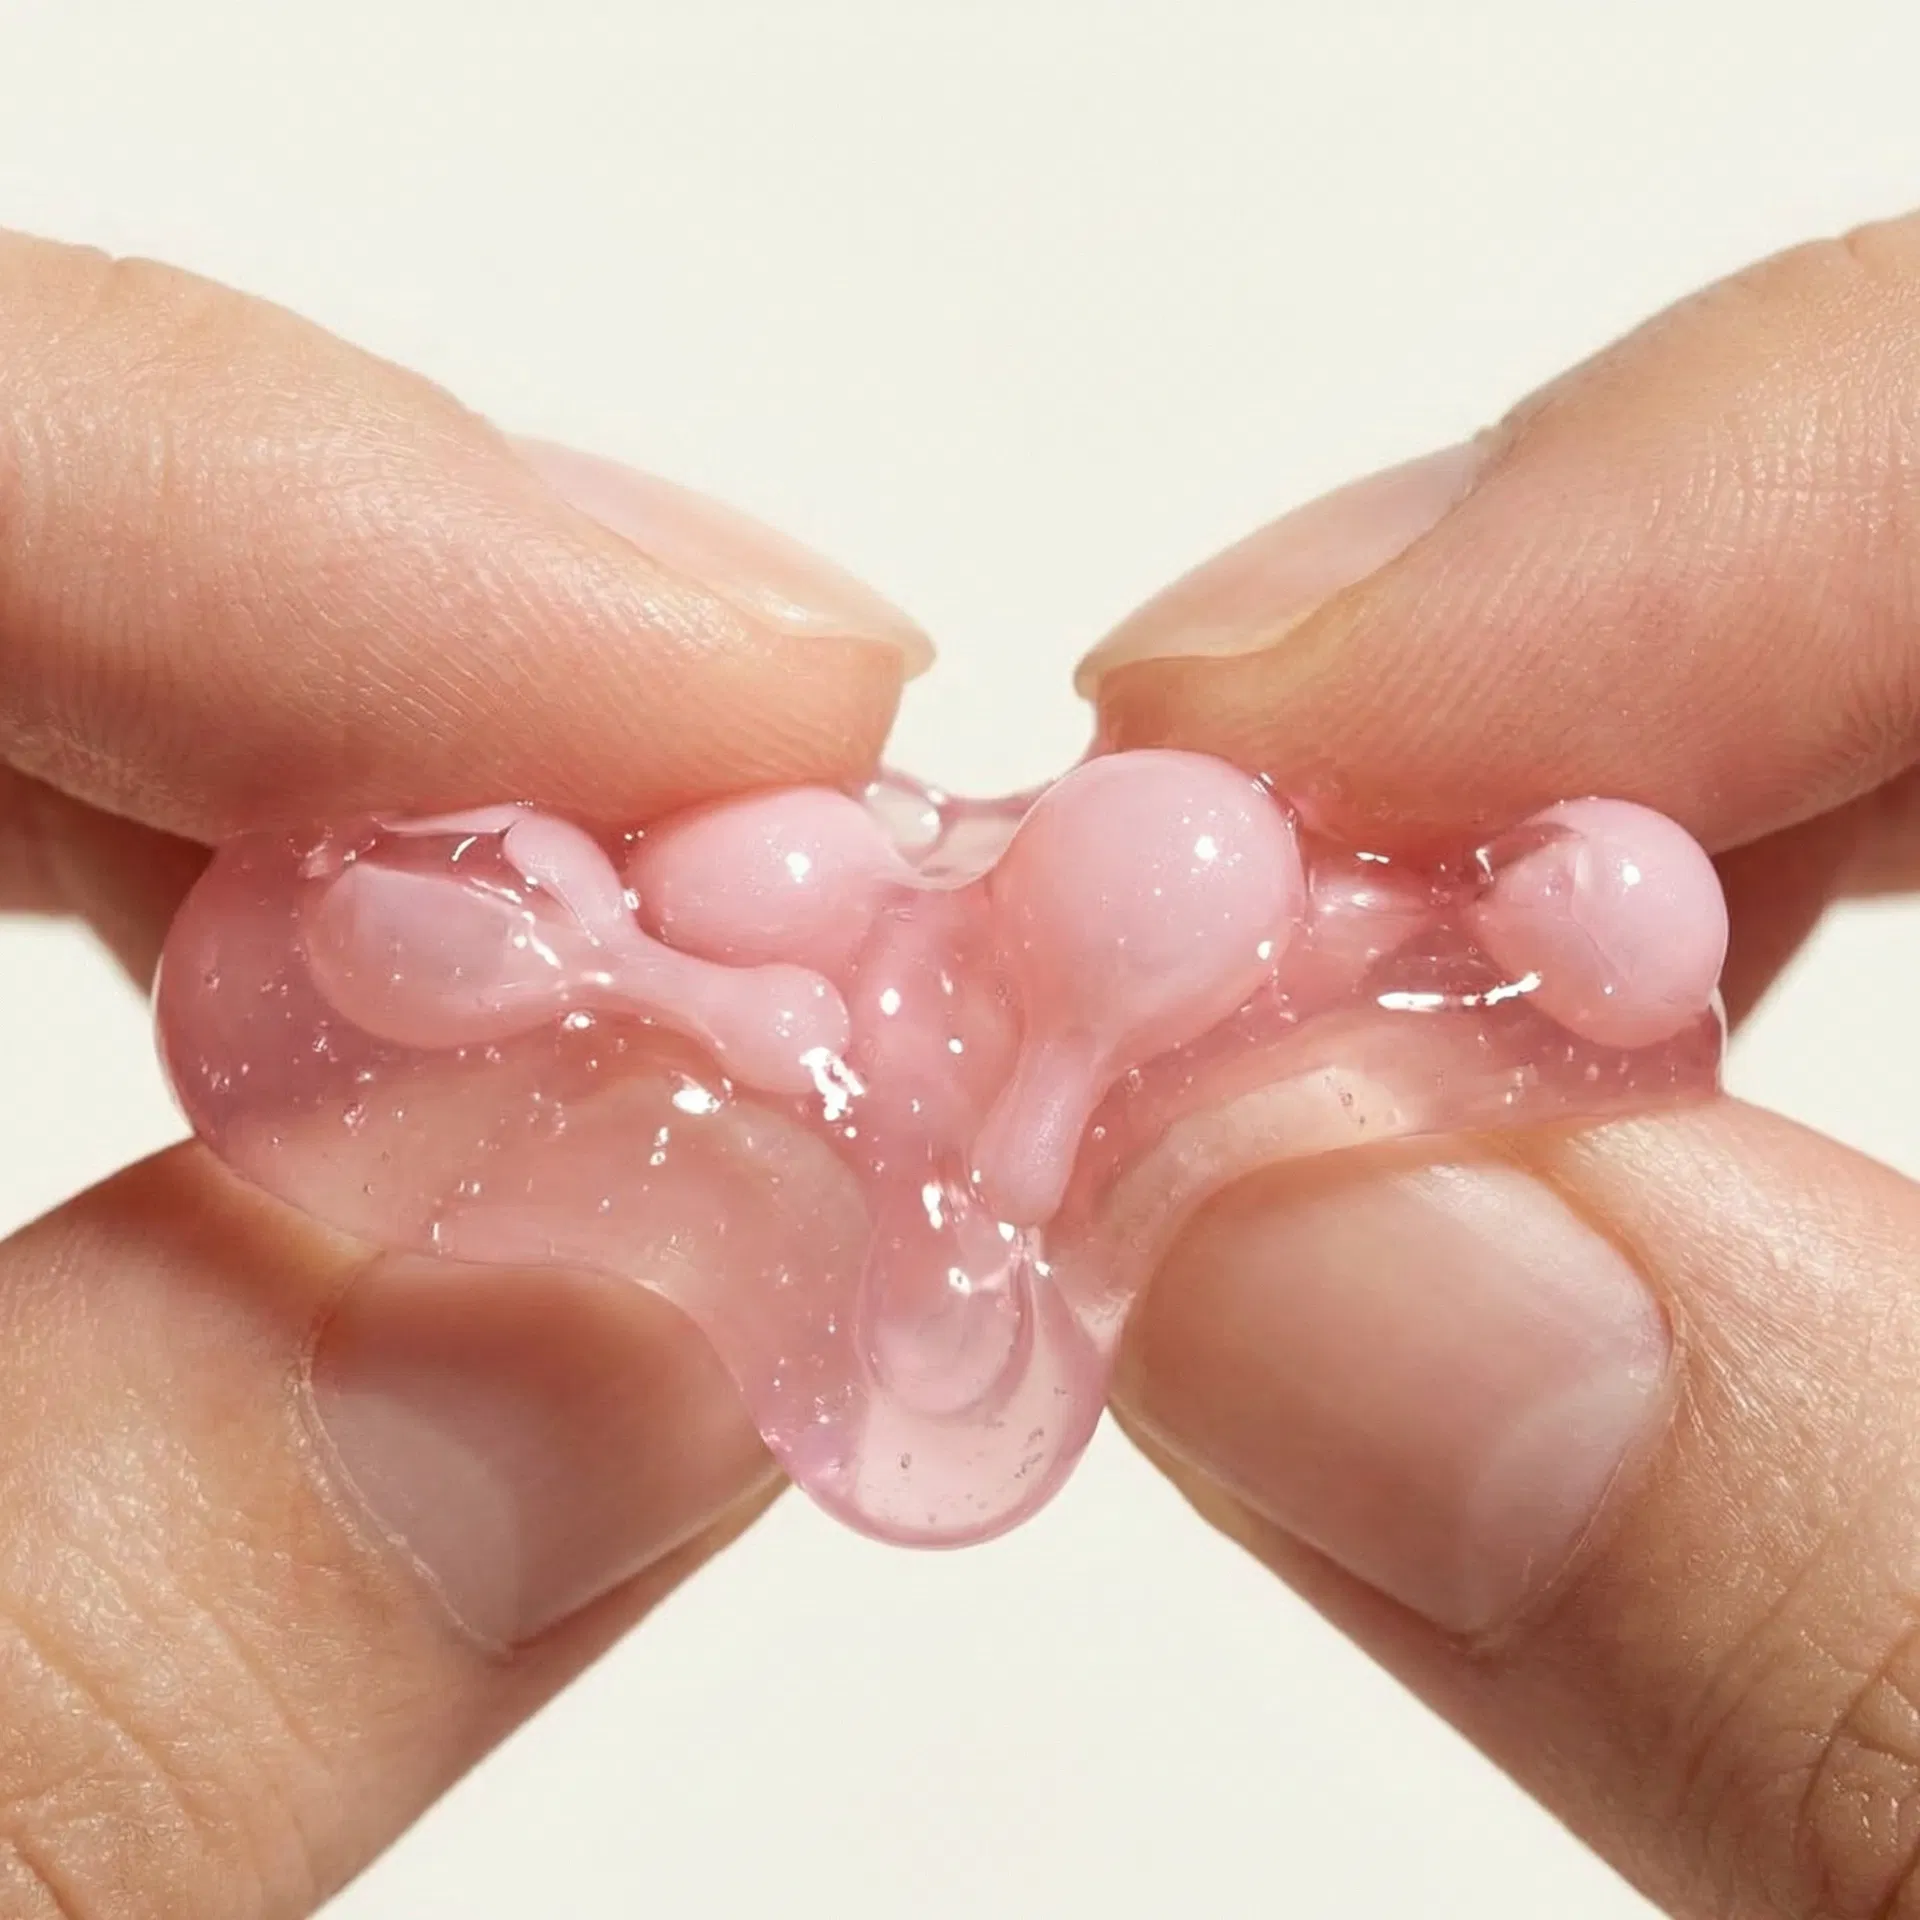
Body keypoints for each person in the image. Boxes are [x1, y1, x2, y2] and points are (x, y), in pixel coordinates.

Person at [1, 214, 1915, 1920]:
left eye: (1569, 927)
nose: (1542, 915)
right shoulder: (967, 967)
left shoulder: (1324, 966)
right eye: (1567, 907)